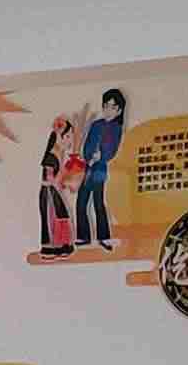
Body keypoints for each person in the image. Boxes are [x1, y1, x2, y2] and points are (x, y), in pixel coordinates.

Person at [77, 88, 125, 252]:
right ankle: (83, 236)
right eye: (106, 106)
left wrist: (101, 156)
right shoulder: (96, 125)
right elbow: (87, 145)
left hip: (100, 169)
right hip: (89, 167)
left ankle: (104, 237)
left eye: (113, 107)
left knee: (98, 201)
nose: (108, 110)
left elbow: (113, 150)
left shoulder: (117, 128)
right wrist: (88, 157)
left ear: (119, 110)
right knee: (81, 201)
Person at [38, 117, 77, 257]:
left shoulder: (58, 154)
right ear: (59, 137)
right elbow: (49, 178)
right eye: (67, 136)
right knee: (54, 218)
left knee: (60, 216)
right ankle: (53, 248)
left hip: (53, 191)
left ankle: (61, 247)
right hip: (49, 193)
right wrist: (64, 181)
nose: (70, 140)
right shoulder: (51, 156)